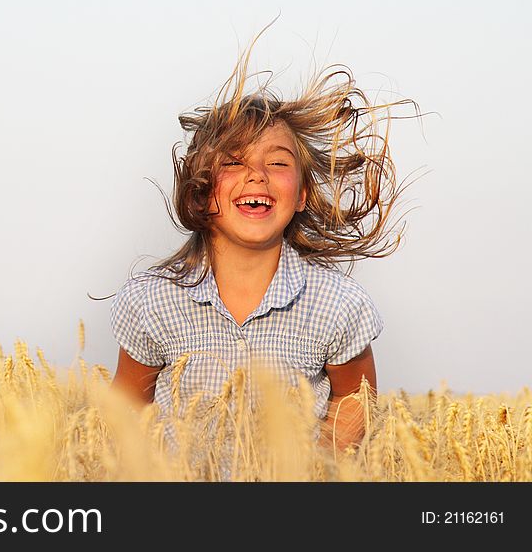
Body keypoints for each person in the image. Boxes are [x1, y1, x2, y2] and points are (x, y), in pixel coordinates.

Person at [109, 30, 423, 456]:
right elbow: (126, 411)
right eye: (234, 162)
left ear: (302, 196)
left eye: (277, 162)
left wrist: (317, 472)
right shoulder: (154, 299)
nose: (257, 174)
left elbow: (354, 403)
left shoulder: (336, 303)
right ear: (201, 191)